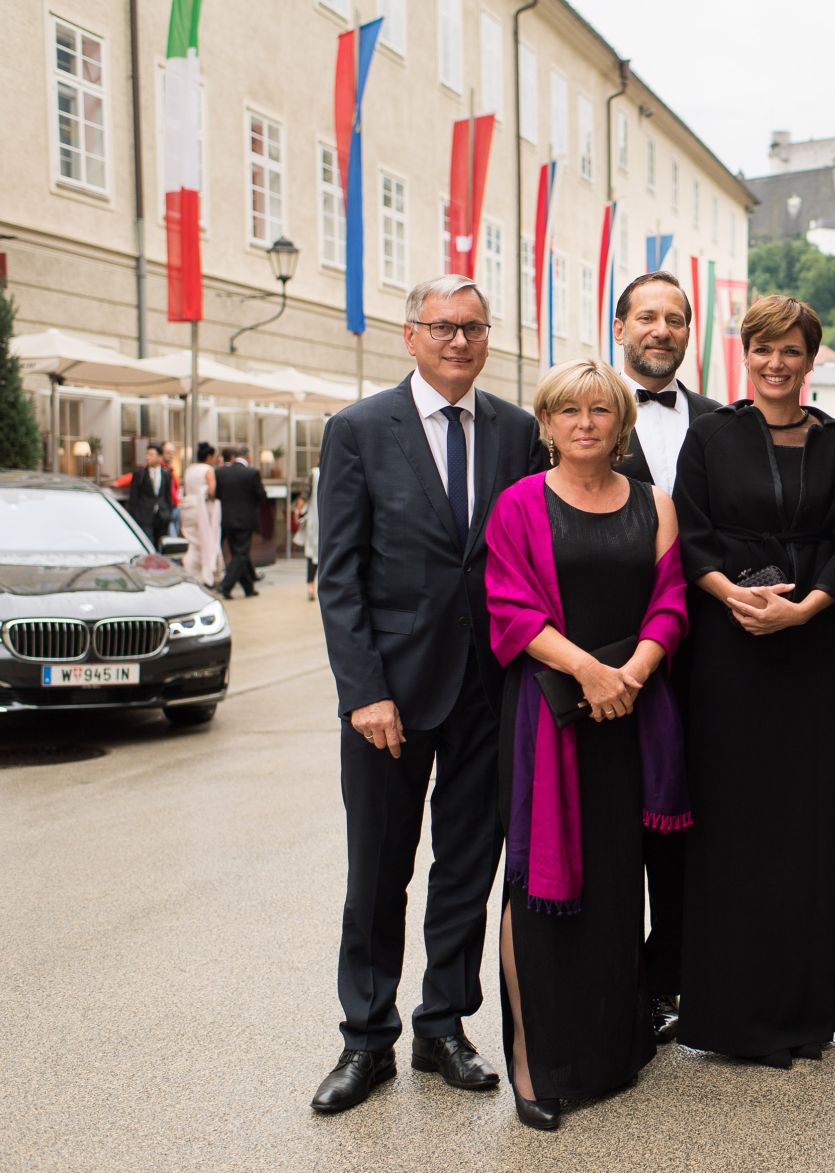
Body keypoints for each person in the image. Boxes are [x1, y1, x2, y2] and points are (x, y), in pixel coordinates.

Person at [310, 274, 547, 1114]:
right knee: (377, 870)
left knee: (465, 870)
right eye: (444, 327)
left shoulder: (521, 432)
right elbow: (337, 575)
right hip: (390, 700)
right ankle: (364, 1038)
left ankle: (442, 1023)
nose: (460, 342)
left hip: (489, 691)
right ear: (409, 335)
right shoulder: (358, 430)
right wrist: (363, 690)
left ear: (490, 339)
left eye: (475, 328)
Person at [484, 359, 689, 1130]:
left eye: (600, 410)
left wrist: (631, 672)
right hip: (550, 713)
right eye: (567, 410)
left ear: (620, 424)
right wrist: (590, 672)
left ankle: (613, 1046)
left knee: (614, 878)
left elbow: (670, 600)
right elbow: (508, 605)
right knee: (537, 884)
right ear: (545, 424)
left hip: (630, 711)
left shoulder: (655, 504)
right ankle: (537, 1064)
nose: (584, 423)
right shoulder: (517, 505)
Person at [672, 295, 835, 1067]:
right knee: (729, 821)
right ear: (744, 354)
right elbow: (688, 532)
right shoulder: (710, 435)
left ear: (810, 358)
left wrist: (809, 609)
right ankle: (726, 1013)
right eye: (763, 350)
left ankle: (800, 1010)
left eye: (791, 350)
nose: (777, 364)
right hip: (726, 650)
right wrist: (732, 596)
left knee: (803, 820)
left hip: (808, 651)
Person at [609, 270, 719, 1045]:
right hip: (611, 657)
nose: (662, 330)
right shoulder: (577, 414)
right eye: (647, 316)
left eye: (675, 319)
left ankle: (675, 978)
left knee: (691, 830)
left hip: (708, 658)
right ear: (619, 327)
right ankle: (612, 989)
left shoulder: (721, 421)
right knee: (614, 826)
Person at [214, 449, 267, 599]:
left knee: (238, 553)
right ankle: (226, 586)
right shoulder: (252, 473)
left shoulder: (221, 473)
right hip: (245, 521)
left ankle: (248, 588)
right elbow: (261, 496)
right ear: (248, 457)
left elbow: (217, 494)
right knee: (241, 554)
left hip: (228, 520)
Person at [180, 441, 221, 586]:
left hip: (187, 507)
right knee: (205, 540)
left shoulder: (189, 469)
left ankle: (191, 570)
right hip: (201, 508)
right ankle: (206, 572)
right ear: (209, 457)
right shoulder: (208, 469)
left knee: (193, 541)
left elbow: (184, 490)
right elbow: (211, 491)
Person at [124, 443, 176, 550]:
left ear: (159, 457)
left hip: (162, 516)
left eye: (151, 455)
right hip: (144, 516)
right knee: (148, 545)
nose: (147, 457)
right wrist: (133, 516)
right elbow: (134, 496)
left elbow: (168, 496)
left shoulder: (166, 474)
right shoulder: (140, 473)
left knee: (162, 546)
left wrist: (168, 512)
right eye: (147, 454)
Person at [299, 464, 321, 602]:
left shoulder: (314, 473)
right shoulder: (336, 469)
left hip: (314, 520)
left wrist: (298, 511)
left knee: (312, 553)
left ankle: (310, 586)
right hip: (331, 521)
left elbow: (304, 496)